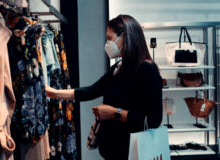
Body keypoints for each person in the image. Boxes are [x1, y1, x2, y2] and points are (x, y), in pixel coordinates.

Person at [46, 15, 163, 160]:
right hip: (114, 152)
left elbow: (153, 120)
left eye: (110, 38)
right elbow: (92, 90)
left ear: (125, 37)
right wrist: (53, 93)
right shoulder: (120, 67)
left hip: (134, 153)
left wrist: (114, 113)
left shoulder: (146, 70)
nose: (107, 43)